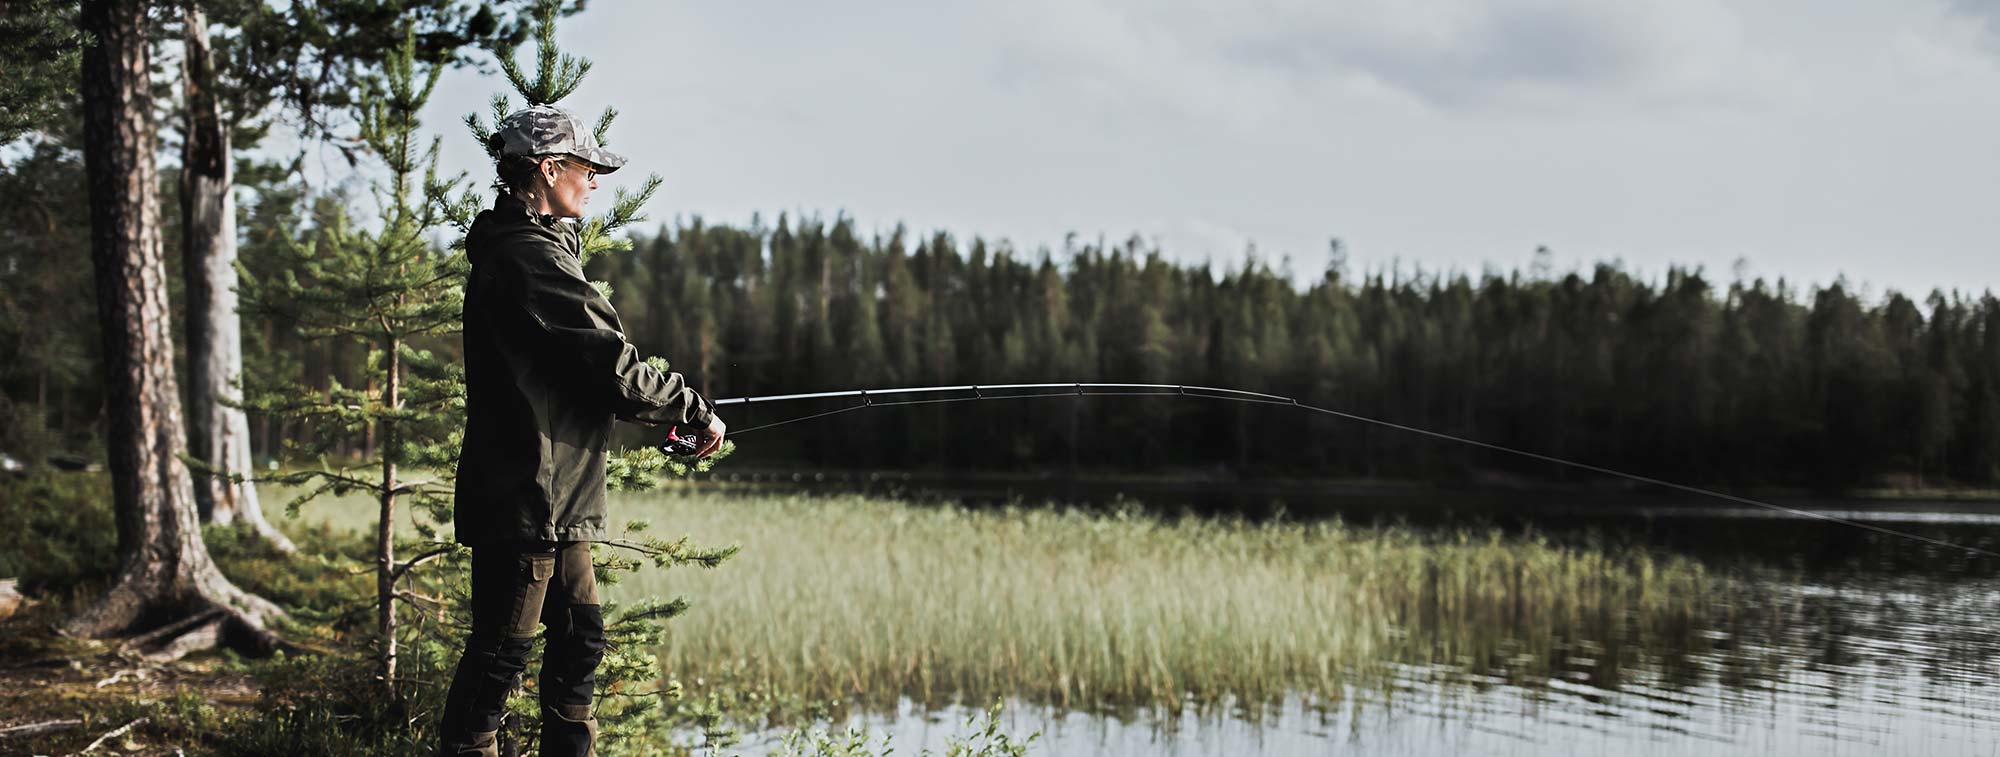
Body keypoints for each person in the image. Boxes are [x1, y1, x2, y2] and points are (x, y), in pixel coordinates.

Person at [439, 104, 726, 757]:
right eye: (586, 167)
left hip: (557, 500)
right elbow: (611, 364)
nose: (595, 180)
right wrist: (691, 406)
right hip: (526, 498)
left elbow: (582, 375)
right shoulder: (526, 258)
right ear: (548, 168)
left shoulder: (536, 251)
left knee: (581, 638)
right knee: (499, 658)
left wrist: (669, 408)